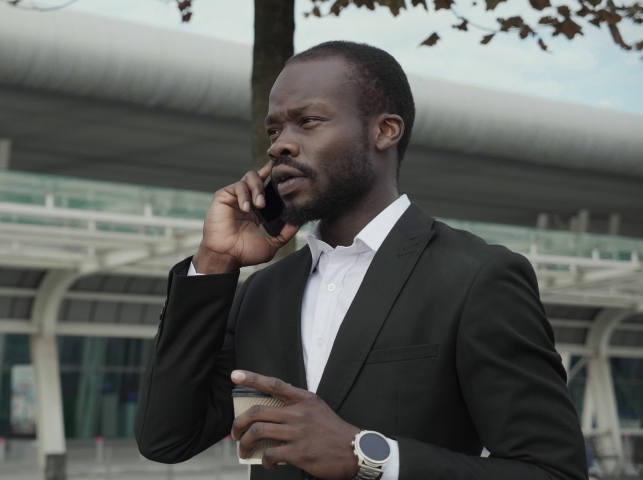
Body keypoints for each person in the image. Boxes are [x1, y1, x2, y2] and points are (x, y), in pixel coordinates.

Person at [134, 41, 586, 480]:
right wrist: (214, 261)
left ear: (385, 130)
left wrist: (371, 458)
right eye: (274, 131)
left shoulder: (476, 278)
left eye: (307, 121)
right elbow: (167, 438)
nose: (279, 146)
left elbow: (552, 470)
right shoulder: (263, 292)